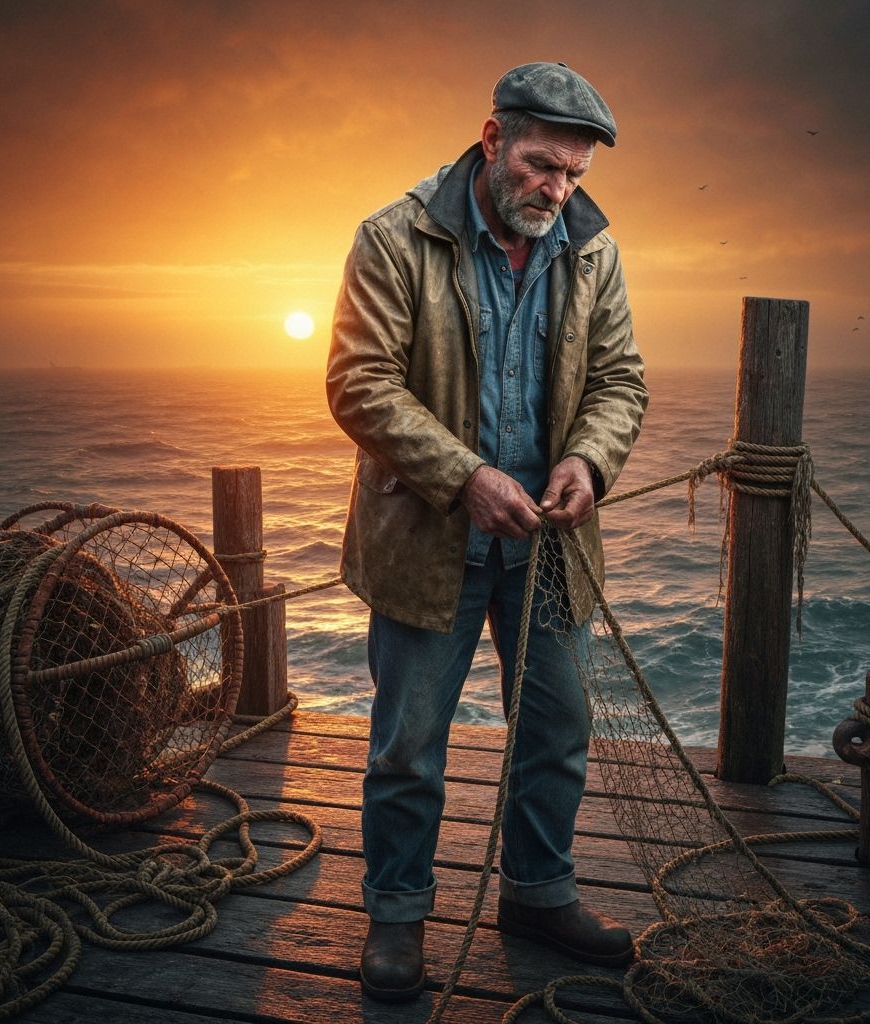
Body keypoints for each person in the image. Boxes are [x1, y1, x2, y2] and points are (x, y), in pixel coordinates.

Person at [326, 61, 648, 1003]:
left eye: (574, 176)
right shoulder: (393, 238)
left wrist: (587, 462)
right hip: (432, 546)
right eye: (543, 164)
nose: (556, 189)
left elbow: (622, 382)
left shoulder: (593, 249)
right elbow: (358, 384)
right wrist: (466, 479)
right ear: (492, 136)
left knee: (556, 729)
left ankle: (539, 896)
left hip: (550, 547)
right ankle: (396, 916)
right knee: (406, 745)